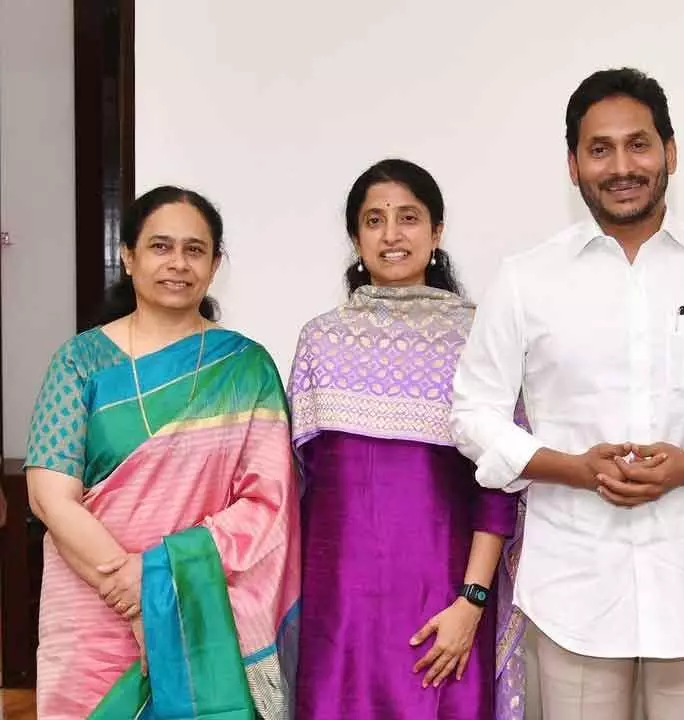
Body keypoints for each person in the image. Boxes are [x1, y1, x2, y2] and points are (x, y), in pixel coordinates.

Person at [450, 68, 684, 719]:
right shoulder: (525, 280)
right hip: (574, 593)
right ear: (573, 165)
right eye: (600, 149)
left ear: (670, 151)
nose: (622, 166)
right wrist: (571, 470)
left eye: (638, 144)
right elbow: (473, 415)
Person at [26, 186, 301, 718]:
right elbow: (49, 498)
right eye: (160, 247)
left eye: (195, 250)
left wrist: (157, 585)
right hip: (89, 616)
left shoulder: (246, 369)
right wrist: (131, 590)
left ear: (215, 264)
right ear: (128, 256)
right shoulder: (79, 363)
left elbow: (267, 503)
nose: (178, 263)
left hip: (203, 610)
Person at [288, 158, 525, 719]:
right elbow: (301, 490)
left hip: (444, 611)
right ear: (355, 238)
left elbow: (500, 483)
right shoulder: (320, 341)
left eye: (409, 218)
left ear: (437, 232)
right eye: (374, 220)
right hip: (338, 618)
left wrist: (472, 603)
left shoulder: (479, 337)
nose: (391, 235)